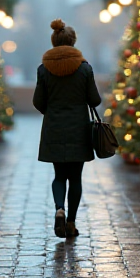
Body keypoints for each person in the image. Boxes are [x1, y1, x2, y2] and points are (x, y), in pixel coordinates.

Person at [33, 19, 102, 238]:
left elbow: (37, 101)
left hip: (54, 127)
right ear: (73, 42)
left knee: (59, 175)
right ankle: (71, 223)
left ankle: (59, 209)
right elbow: (95, 99)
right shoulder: (84, 68)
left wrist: (51, 111)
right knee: (76, 178)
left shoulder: (44, 69)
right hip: (79, 129)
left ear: (54, 40)